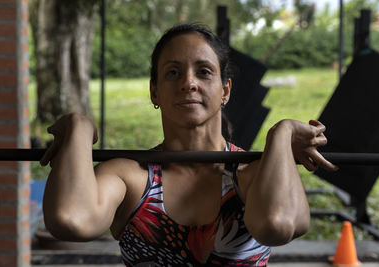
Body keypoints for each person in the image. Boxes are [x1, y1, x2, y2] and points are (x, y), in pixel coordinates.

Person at [40, 23, 338, 266]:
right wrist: (78, 128)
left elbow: (278, 225)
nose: (189, 82)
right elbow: (70, 220)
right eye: (173, 72)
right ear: (154, 91)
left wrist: (281, 135)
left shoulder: (255, 172)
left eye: (204, 71)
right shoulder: (129, 176)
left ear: (225, 90)